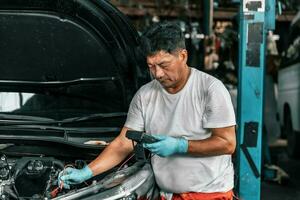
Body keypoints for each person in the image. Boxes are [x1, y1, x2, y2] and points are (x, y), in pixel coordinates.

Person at [59, 21, 236, 200]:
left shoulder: (210, 89)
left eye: (164, 65)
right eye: (151, 66)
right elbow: (123, 144)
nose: (157, 74)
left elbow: (227, 143)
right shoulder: (145, 95)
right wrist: (86, 172)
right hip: (165, 195)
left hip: (209, 195)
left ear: (183, 56)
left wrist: (181, 146)